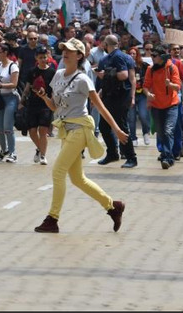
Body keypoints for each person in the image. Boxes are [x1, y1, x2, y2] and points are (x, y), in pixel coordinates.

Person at [33, 38, 127, 234]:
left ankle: (52, 218)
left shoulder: (83, 79)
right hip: (66, 130)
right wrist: (43, 97)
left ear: (79, 56)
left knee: (58, 171)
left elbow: (100, 107)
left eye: (70, 50)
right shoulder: (58, 75)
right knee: (77, 179)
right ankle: (113, 206)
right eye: (64, 50)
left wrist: (116, 130)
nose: (65, 53)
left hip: (81, 129)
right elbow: (55, 106)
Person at [95, 35, 139, 168]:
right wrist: (99, 93)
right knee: (104, 126)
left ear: (105, 44)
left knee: (121, 126)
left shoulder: (119, 57)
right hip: (109, 95)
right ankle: (112, 153)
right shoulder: (105, 59)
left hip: (120, 96)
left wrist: (132, 97)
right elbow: (132, 80)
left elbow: (125, 76)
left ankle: (131, 157)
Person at [144, 45, 182, 170]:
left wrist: (170, 84)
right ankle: (169, 156)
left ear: (161, 57)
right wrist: (148, 94)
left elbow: (178, 87)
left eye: (154, 56)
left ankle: (166, 157)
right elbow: (145, 86)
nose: (152, 58)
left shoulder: (172, 68)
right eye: (151, 56)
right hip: (156, 106)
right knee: (161, 133)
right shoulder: (150, 69)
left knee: (168, 131)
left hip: (171, 105)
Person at [21, 45, 55, 166]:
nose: (42, 59)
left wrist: (55, 103)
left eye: (44, 57)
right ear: (36, 58)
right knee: (32, 131)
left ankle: (43, 156)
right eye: (40, 57)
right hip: (33, 103)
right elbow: (27, 87)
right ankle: (40, 149)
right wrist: (22, 100)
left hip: (46, 104)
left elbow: (55, 89)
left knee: (43, 130)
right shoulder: (32, 71)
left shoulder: (52, 72)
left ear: (48, 57)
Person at [0, 42, 20, 163]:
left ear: (5, 53)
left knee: (8, 127)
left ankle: (13, 153)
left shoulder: (13, 66)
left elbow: (14, 84)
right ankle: (4, 150)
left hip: (10, 98)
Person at [127, 47, 152, 146]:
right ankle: (133, 138)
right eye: (130, 53)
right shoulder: (126, 65)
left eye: (134, 54)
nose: (132, 55)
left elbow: (151, 74)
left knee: (143, 115)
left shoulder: (144, 65)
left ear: (137, 55)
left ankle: (146, 132)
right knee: (131, 118)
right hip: (130, 94)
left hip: (142, 94)